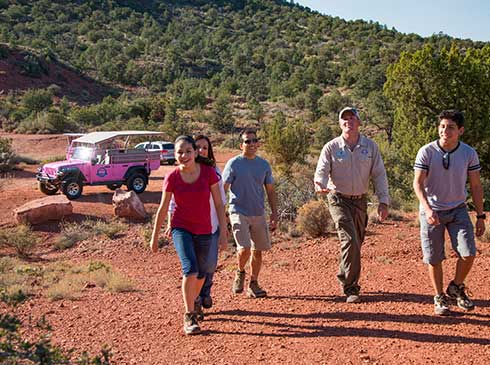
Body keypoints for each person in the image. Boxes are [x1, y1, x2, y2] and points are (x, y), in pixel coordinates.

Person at [150, 135, 227, 335]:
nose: (184, 156)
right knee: (190, 269)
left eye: (188, 151)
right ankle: (189, 315)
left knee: (203, 272)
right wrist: (154, 236)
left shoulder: (208, 173)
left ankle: (192, 299)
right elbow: (163, 207)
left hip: (204, 228)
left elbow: (219, 204)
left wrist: (224, 232)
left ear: (195, 152)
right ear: (174, 155)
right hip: (181, 227)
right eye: (179, 152)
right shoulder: (172, 177)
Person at [413, 110, 485, 316]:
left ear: (460, 131)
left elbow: (476, 185)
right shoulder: (426, 151)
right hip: (432, 210)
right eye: (442, 126)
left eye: (451, 127)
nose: (445, 130)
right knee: (434, 257)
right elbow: (417, 184)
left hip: (458, 209)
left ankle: (455, 286)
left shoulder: (468, 153)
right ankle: (439, 296)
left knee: (468, 252)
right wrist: (427, 209)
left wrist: (480, 216)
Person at [314, 107, 389, 303]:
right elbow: (322, 169)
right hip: (338, 198)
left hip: (360, 201)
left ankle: (343, 274)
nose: (348, 121)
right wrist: (319, 183)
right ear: (340, 124)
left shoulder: (370, 147)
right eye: (344, 119)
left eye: (352, 118)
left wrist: (383, 201)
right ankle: (351, 287)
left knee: (356, 242)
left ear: (359, 122)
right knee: (350, 240)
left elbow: (379, 174)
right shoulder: (331, 147)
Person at [223, 128, 278, 298]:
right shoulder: (233, 164)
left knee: (258, 250)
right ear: (241, 145)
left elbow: (270, 190)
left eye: (254, 140)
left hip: (258, 212)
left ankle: (253, 284)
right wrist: (222, 213)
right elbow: (223, 188)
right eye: (248, 141)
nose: (252, 144)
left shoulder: (264, 165)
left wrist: (274, 213)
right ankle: (240, 272)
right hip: (237, 210)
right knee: (245, 247)